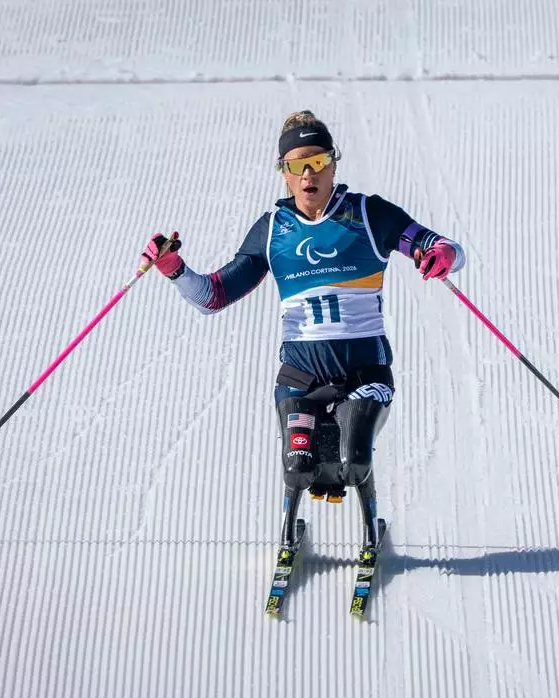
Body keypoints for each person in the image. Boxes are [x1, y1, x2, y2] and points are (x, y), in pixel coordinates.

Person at [141, 110, 466, 555]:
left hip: (365, 375)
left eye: (317, 161)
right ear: (284, 175)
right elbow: (213, 297)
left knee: (354, 463)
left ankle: (371, 527)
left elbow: (440, 245)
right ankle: (290, 534)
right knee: (298, 468)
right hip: (300, 379)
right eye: (296, 166)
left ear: (334, 164)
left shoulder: (369, 215)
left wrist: (443, 253)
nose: (308, 174)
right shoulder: (273, 230)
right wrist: (174, 269)